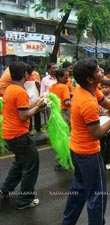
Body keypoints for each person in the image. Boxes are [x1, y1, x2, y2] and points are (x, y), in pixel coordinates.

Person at [62, 58, 110, 225]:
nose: (102, 71)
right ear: (90, 78)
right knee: (98, 195)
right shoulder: (87, 102)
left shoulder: (87, 88)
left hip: (76, 150)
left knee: (78, 189)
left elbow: (109, 103)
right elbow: (97, 134)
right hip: (88, 154)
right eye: (98, 71)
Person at [0, 61, 46, 209]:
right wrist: (39, 108)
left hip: (10, 134)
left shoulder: (9, 89)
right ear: (25, 75)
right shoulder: (20, 91)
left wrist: (36, 103)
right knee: (31, 165)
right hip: (19, 135)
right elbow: (23, 116)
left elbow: (21, 109)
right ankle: (24, 199)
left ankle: (6, 188)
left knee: (20, 163)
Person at [25, 62, 43, 134]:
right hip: (26, 95)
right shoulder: (24, 74)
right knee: (29, 113)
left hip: (35, 95)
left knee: (37, 111)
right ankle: (29, 130)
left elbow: (39, 86)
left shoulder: (36, 74)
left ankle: (38, 128)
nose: (30, 73)